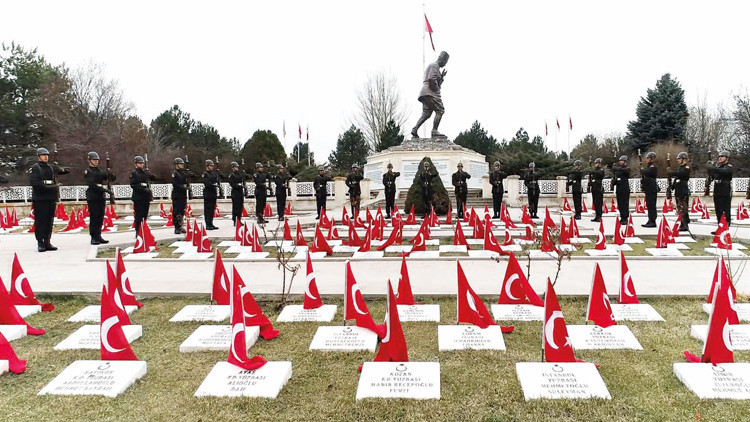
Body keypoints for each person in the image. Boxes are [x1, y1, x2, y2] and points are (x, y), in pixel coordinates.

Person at [29, 147, 69, 252]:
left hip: (50, 198)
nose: (46, 157)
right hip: (40, 199)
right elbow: (36, 184)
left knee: (49, 221)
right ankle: (40, 242)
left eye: (47, 155)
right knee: (40, 221)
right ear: (39, 157)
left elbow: (65, 171)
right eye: (43, 155)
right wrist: (53, 187)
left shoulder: (50, 167)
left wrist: (59, 168)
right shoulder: (35, 168)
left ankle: (47, 241)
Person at [411, 51, 450, 138]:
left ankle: (415, 129)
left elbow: (434, 80)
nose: (445, 65)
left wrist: (441, 77)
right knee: (440, 110)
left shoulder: (434, 67)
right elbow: (431, 79)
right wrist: (436, 90)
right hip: (430, 93)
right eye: (445, 62)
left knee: (426, 113)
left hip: (425, 93)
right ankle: (434, 131)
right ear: (442, 60)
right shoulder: (434, 65)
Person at [84, 151, 115, 245]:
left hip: (100, 197)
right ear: (89, 160)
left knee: (100, 217)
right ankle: (93, 237)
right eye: (94, 160)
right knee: (94, 217)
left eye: (97, 160)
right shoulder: (88, 171)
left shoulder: (100, 171)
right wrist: (104, 190)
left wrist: (110, 173)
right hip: (93, 196)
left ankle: (98, 235)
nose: (96, 161)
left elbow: (111, 178)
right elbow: (92, 184)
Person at [130, 155, 154, 236]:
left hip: (145, 197)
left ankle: (143, 230)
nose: (141, 165)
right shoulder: (134, 173)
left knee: (145, 215)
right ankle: (138, 231)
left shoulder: (145, 173)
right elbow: (134, 185)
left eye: (142, 163)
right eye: (140, 163)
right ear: (136, 164)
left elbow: (152, 179)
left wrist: (150, 174)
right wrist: (143, 189)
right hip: (138, 197)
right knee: (139, 216)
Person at [171, 157, 195, 234]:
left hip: (183, 195)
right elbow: (175, 184)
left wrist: (190, 174)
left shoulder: (183, 173)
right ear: (177, 165)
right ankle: (177, 227)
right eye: (180, 164)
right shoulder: (175, 173)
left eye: (182, 164)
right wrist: (185, 187)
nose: (182, 165)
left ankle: (181, 225)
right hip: (177, 195)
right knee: (177, 211)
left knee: (182, 211)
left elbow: (193, 176)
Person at [710, 150, 733, 228]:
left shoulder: (728, 166)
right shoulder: (718, 167)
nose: (720, 158)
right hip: (717, 188)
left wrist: (712, 168)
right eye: (719, 156)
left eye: (722, 156)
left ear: (727, 158)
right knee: (718, 209)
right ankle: (720, 226)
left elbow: (725, 172)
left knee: (725, 208)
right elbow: (713, 176)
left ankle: (726, 226)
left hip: (725, 188)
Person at [669, 152, 691, 232]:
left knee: (683, 207)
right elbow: (677, 178)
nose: (677, 160)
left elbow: (682, 174)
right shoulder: (680, 168)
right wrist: (672, 187)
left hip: (683, 189)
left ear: (683, 159)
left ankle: (685, 224)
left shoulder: (686, 167)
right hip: (678, 189)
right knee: (679, 207)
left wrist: (672, 173)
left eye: (679, 158)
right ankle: (682, 223)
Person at [640, 151, 658, 228]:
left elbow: (647, 172)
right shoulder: (648, 166)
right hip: (648, 188)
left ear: (651, 159)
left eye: (648, 158)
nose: (647, 159)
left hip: (652, 188)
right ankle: (650, 220)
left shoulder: (653, 166)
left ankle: (653, 221)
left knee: (652, 205)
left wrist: (642, 170)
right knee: (649, 205)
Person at [202, 159, 221, 230]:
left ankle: (211, 223)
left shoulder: (213, 173)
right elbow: (207, 183)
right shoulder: (205, 174)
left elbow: (216, 181)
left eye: (212, 166)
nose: (212, 167)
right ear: (207, 166)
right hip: (208, 193)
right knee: (208, 209)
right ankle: (208, 224)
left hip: (213, 192)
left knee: (212, 209)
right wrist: (214, 184)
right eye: (210, 166)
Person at [227, 161, 248, 226]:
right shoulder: (231, 175)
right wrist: (240, 185)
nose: (237, 168)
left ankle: (239, 219)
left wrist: (245, 175)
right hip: (235, 192)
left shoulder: (239, 174)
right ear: (233, 168)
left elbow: (244, 179)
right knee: (236, 207)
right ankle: (235, 220)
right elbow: (232, 184)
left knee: (240, 207)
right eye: (235, 167)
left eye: (237, 167)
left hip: (240, 192)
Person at [613, 155, 631, 225]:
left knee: (624, 203)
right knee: (620, 204)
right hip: (619, 188)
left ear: (625, 161)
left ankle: (625, 218)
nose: (620, 162)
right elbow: (617, 177)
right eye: (620, 161)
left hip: (624, 188)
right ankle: (622, 217)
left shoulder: (627, 168)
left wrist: (616, 169)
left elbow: (625, 171)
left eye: (621, 161)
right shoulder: (619, 169)